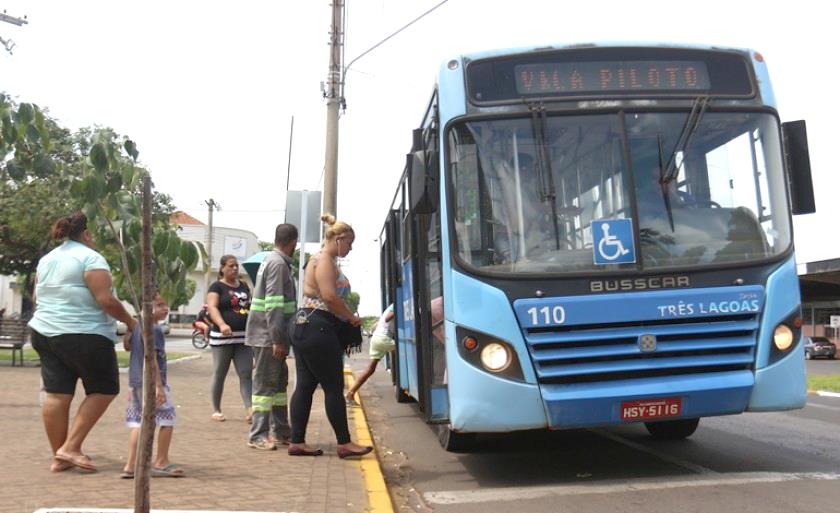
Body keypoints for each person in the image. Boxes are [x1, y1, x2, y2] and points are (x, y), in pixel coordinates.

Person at [28, 212, 138, 473]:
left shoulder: (47, 260)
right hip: (84, 333)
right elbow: (106, 300)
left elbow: (36, 297)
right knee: (104, 389)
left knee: (57, 393)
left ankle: (60, 456)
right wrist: (132, 323)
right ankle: (71, 447)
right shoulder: (91, 258)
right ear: (86, 234)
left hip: (44, 332)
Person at [287, 214, 373, 458]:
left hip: (304, 324)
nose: (350, 248)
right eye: (349, 243)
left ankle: (297, 441)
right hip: (318, 326)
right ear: (338, 239)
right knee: (334, 386)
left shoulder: (316, 259)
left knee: (305, 385)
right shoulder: (325, 259)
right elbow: (330, 296)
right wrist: (351, 317)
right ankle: (344, 443)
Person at [245, 223, 298, 450]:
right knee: (265, 385)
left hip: (269, 335)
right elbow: (274, 305)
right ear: (293, 243)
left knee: (278, 385)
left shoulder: (272, 260)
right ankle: (258, 435)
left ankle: (281, 431)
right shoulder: (278, 264)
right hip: (268, 337)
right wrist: (277, 339)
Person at [120, 291, 184, 479]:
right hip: (150, 382)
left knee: (138, 423)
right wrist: (158, 387)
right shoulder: (153, 329)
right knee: (167, 419)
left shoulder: (138, 325)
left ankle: (130, 465)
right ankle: (161, 460)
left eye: (166, 305)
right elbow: (152, 358)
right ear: (147, 306)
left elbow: (128, 346)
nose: (165, 309)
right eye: (160, 305)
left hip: (135, 381)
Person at [207, 255, 253, 422]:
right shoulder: (216, 286)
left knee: (246, 373)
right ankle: (216, 409)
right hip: (223, 338)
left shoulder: (244, 286)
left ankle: (250, 409)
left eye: (236, 266)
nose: (234, 269)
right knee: (220, 373)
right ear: (222, 268)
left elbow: (250, 306)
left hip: (243, 338)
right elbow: (212, 307)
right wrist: (222, 324)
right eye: (231, 266)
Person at [344, 304, 395, 406]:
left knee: (370, 369)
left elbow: (374, 326)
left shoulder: (388, 308)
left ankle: (350, 393)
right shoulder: (396, 305)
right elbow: (387, 318)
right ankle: (398, 381)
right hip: (384, 339)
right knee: (405, 350)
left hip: (376, 338)